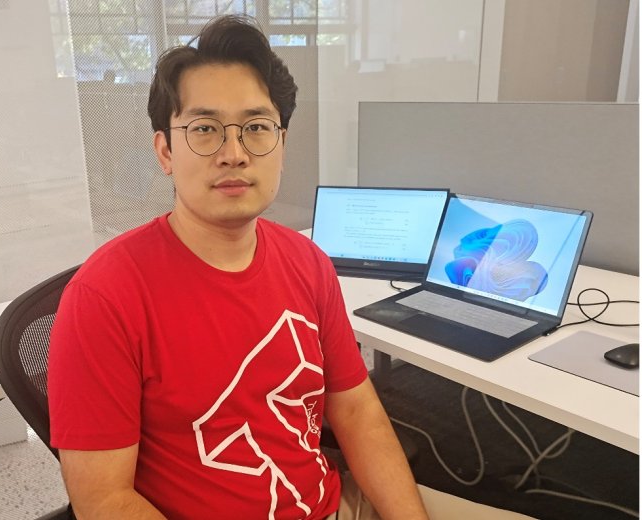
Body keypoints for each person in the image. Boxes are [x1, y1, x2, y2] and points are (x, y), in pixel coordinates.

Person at [47, 15, 428, 519]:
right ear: (165, 150)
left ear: (282, 145)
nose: (234, 154)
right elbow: (103, 500)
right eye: (204, 129)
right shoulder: (106, 296)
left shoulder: (307, 262)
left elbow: (356, 411)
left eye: (256, 128)